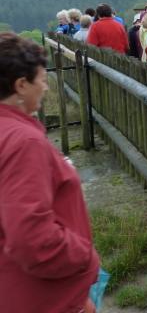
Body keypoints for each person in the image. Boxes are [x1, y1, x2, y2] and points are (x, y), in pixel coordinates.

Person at [0, 32, 100, 312]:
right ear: (21, 85)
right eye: (42, 80)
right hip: (41, 296)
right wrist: (84, 258)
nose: (45, 88)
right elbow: (31, 238)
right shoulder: (24, 142)